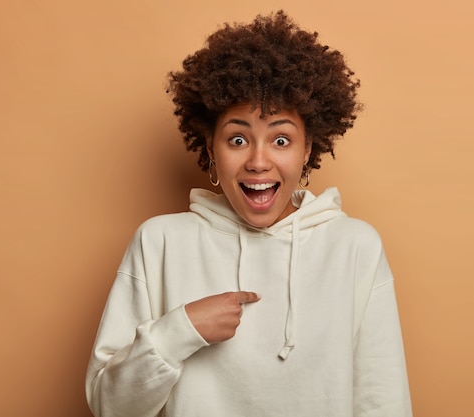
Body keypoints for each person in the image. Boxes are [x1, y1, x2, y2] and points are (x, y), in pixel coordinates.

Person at [85, 10, 412, 417]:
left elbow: (384, 402)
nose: (259, 161)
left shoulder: (355, 247)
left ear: (308, 149)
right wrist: (179, 330)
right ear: (210, 148)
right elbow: (109, 406)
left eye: (280, 139)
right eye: (238, 138)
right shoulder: (160, 242)